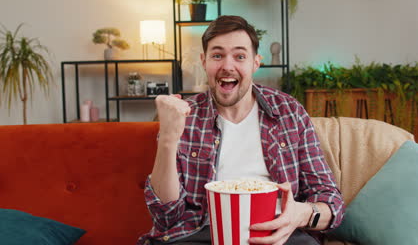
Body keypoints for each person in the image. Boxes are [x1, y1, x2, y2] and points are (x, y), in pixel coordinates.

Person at [138, 15, 344, 245]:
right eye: (217, 55)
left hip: (277, 234)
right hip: (200, 234)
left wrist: (300, 214)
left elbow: (331, 202)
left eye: (239, 56)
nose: (227, 66)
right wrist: (167, 137)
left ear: (255, 62)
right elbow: (166, 217)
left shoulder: (289, 111)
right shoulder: (185, 115)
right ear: (203, 61)